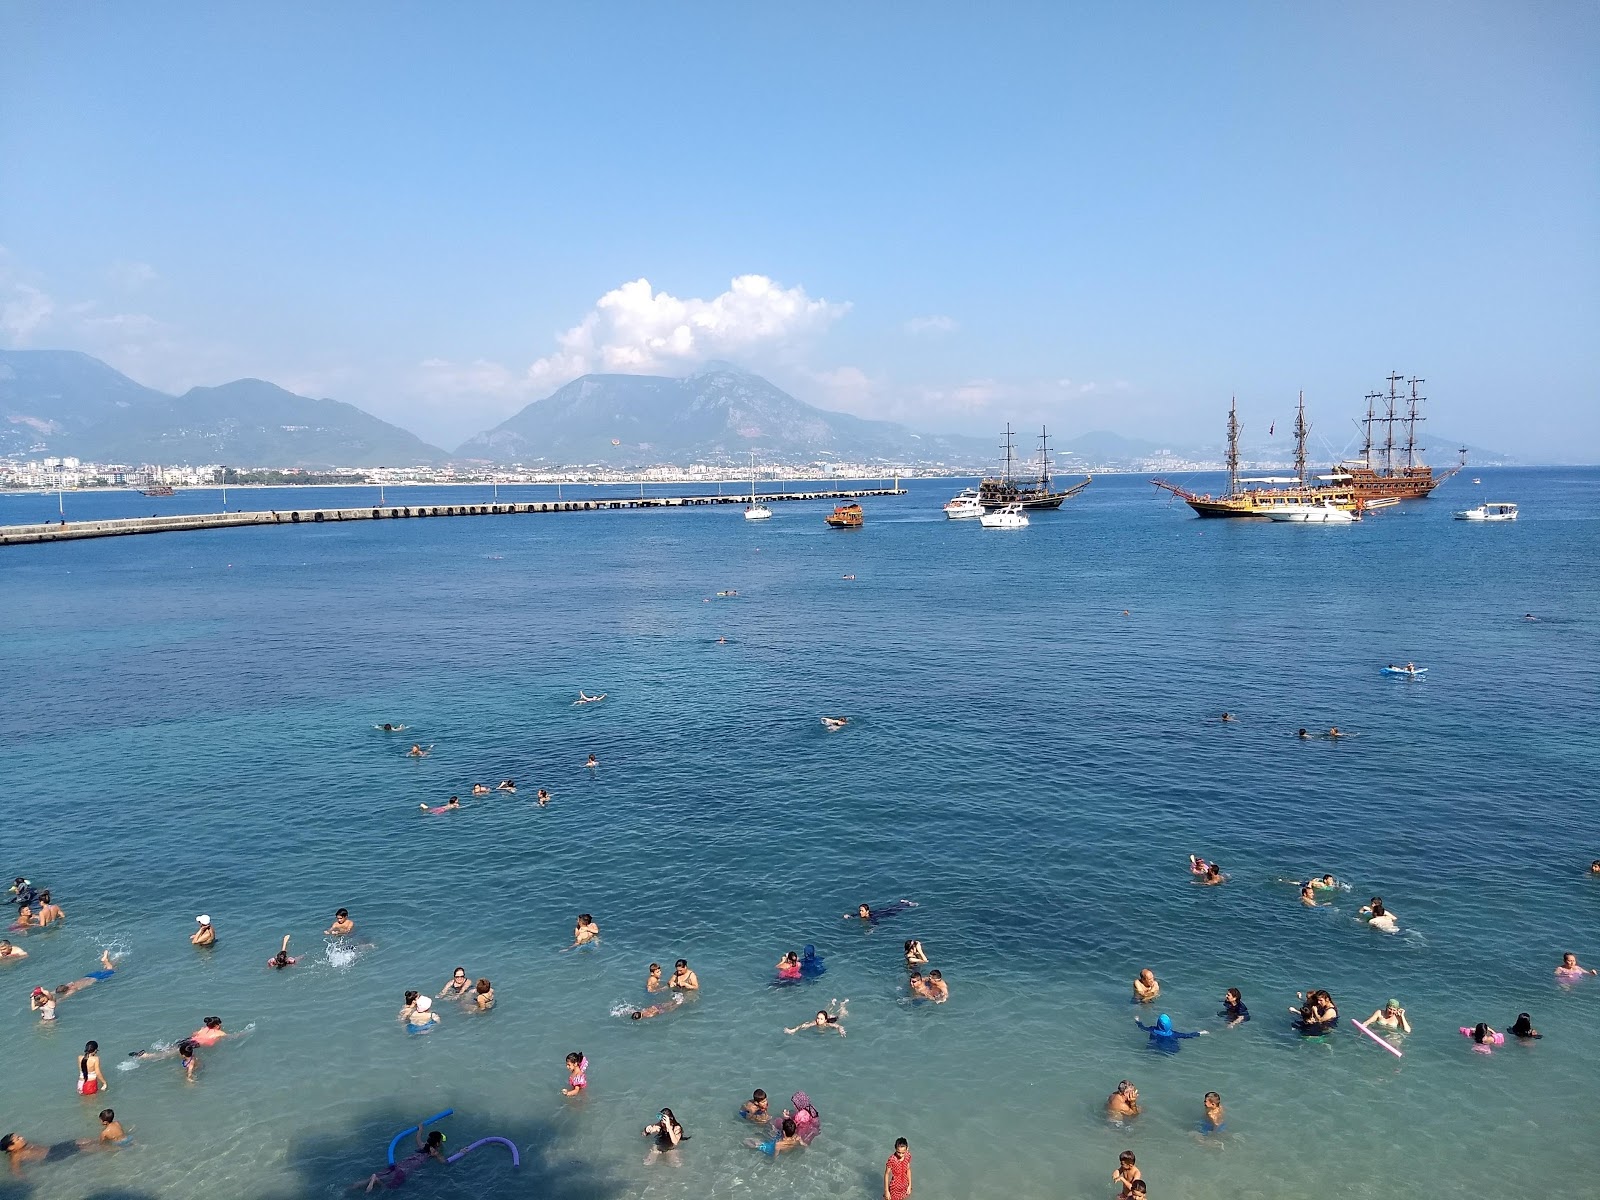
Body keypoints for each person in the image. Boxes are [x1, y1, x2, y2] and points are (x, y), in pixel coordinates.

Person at [356, 1118, 446, 1191]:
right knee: (390, 1188)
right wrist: (460, 1153)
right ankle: (376, 1179)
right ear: (437, 1143)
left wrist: (420, 1129)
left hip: (401, 1164)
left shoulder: (422, 1145)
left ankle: (350, 1188)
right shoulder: (434, 1152)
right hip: (405, 1170)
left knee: (378, 1176)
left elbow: (417, 1137)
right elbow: (443, 1162)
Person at [1, 1131, 100, 1170]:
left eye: (19, 1136)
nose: (22, 1137)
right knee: (82, 1148)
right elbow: (16, 1172)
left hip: (53, 1148)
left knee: (78, 1141)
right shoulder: (16, 1156)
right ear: (11, 1147)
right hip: (52, 1156)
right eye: (18, 1139)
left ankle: (102, 1140)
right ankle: (108, 1148)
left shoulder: (26, 1144)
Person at [1135, 1013, 1207, 1052]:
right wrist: (1201, 1032)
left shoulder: (1152, 1030)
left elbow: (1142, 1028)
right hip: (1170, 1050)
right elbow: (1187, 1035)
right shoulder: (1174, 1034)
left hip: (1155, 1047)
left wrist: (1137, 1020)